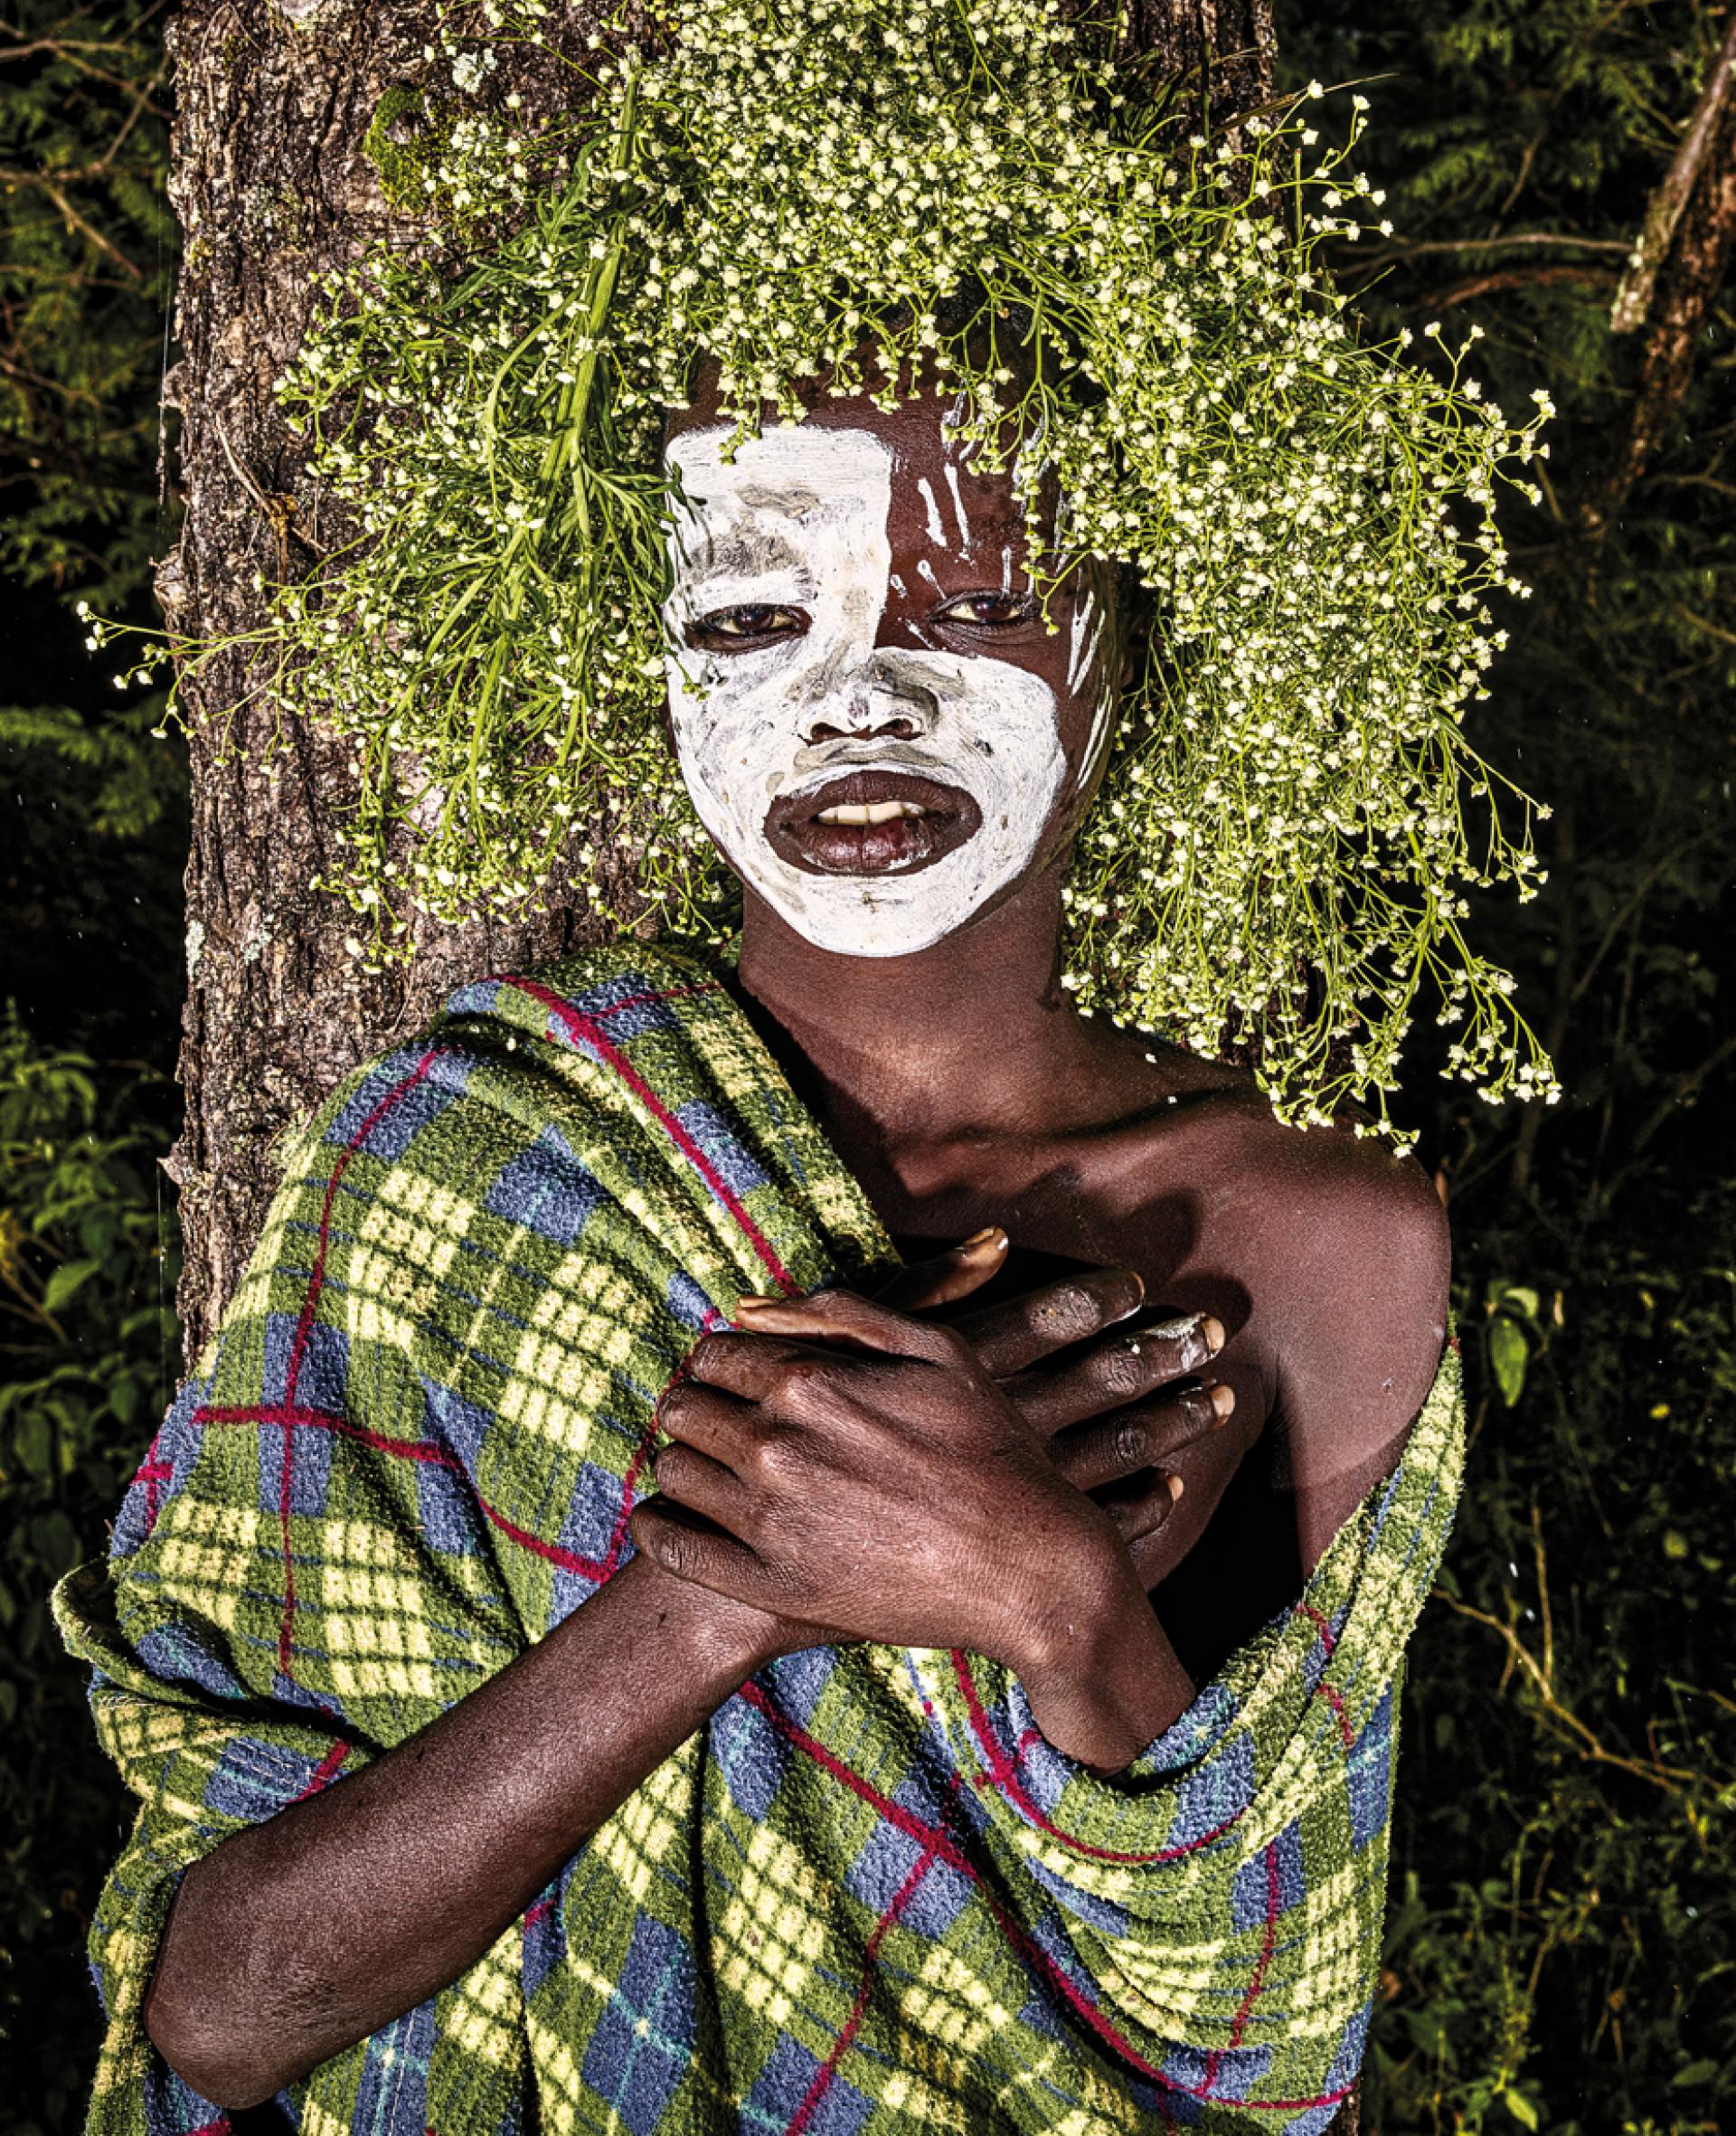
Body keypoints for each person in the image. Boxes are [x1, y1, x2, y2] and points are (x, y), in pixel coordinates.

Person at [54, 341, 1461, 2136]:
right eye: (749, 620)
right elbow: (224, 2010)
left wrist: (1046, 1591)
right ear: (647, 663)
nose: (860, 698)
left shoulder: (1320, 1234)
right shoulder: (463, 1162)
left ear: (1136, 635)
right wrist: (707, 1597)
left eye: (982, 604)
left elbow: (1264, 2035)